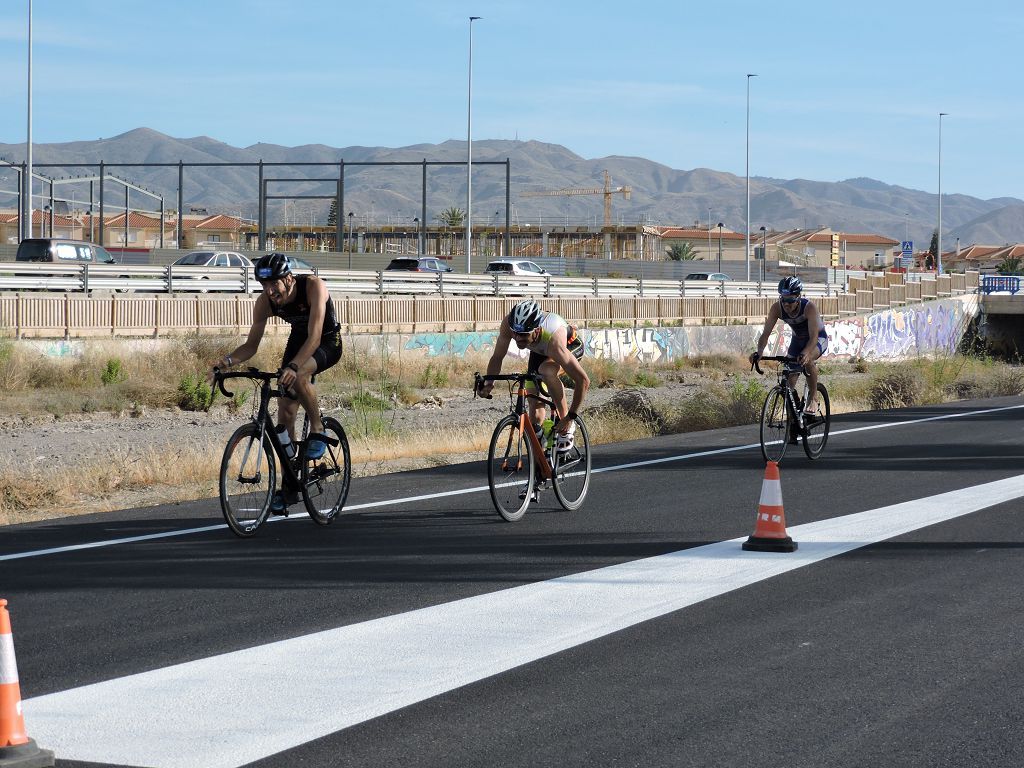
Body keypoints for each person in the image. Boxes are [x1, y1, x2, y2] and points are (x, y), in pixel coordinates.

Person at [211, 252, 342, 512]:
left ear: (289, 278)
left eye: (274, 284)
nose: (270, 291)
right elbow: (250, 346)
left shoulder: (313, 286)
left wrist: (294, 366)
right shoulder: (265, 303)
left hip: (326, 341)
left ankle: (318, 429)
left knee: (300, 375)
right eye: (264, 286)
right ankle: (290, 486)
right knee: (285, 411)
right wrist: (223, 363)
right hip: (298, 341)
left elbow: (315, 337)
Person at [478, 298, 590, 461]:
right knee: (535, 408)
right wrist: (489, 383)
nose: (518, 339)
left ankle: (566, 427)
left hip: (569, 347)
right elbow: (497, 357)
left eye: (524, 335)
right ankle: (540, 467)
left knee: (546, 371)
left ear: (537, 329)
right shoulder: (509, 325)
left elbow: (584, 381)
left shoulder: (554, 339)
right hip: (540, 352)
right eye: (515, 334)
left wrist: (570, 417)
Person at [749, 276, 829, 417]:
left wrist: (805, 353)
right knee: (788, 385)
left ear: (798, 297)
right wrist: (759, 351)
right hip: (797, 341)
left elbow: (814, 337)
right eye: (784, 300)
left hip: (816, 339)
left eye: (791, 300)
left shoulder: (809, 307)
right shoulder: (777, 308)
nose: (787, 304)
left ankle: (813, 397)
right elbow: (765, 334)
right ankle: (794, 423)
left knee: (808, 359)